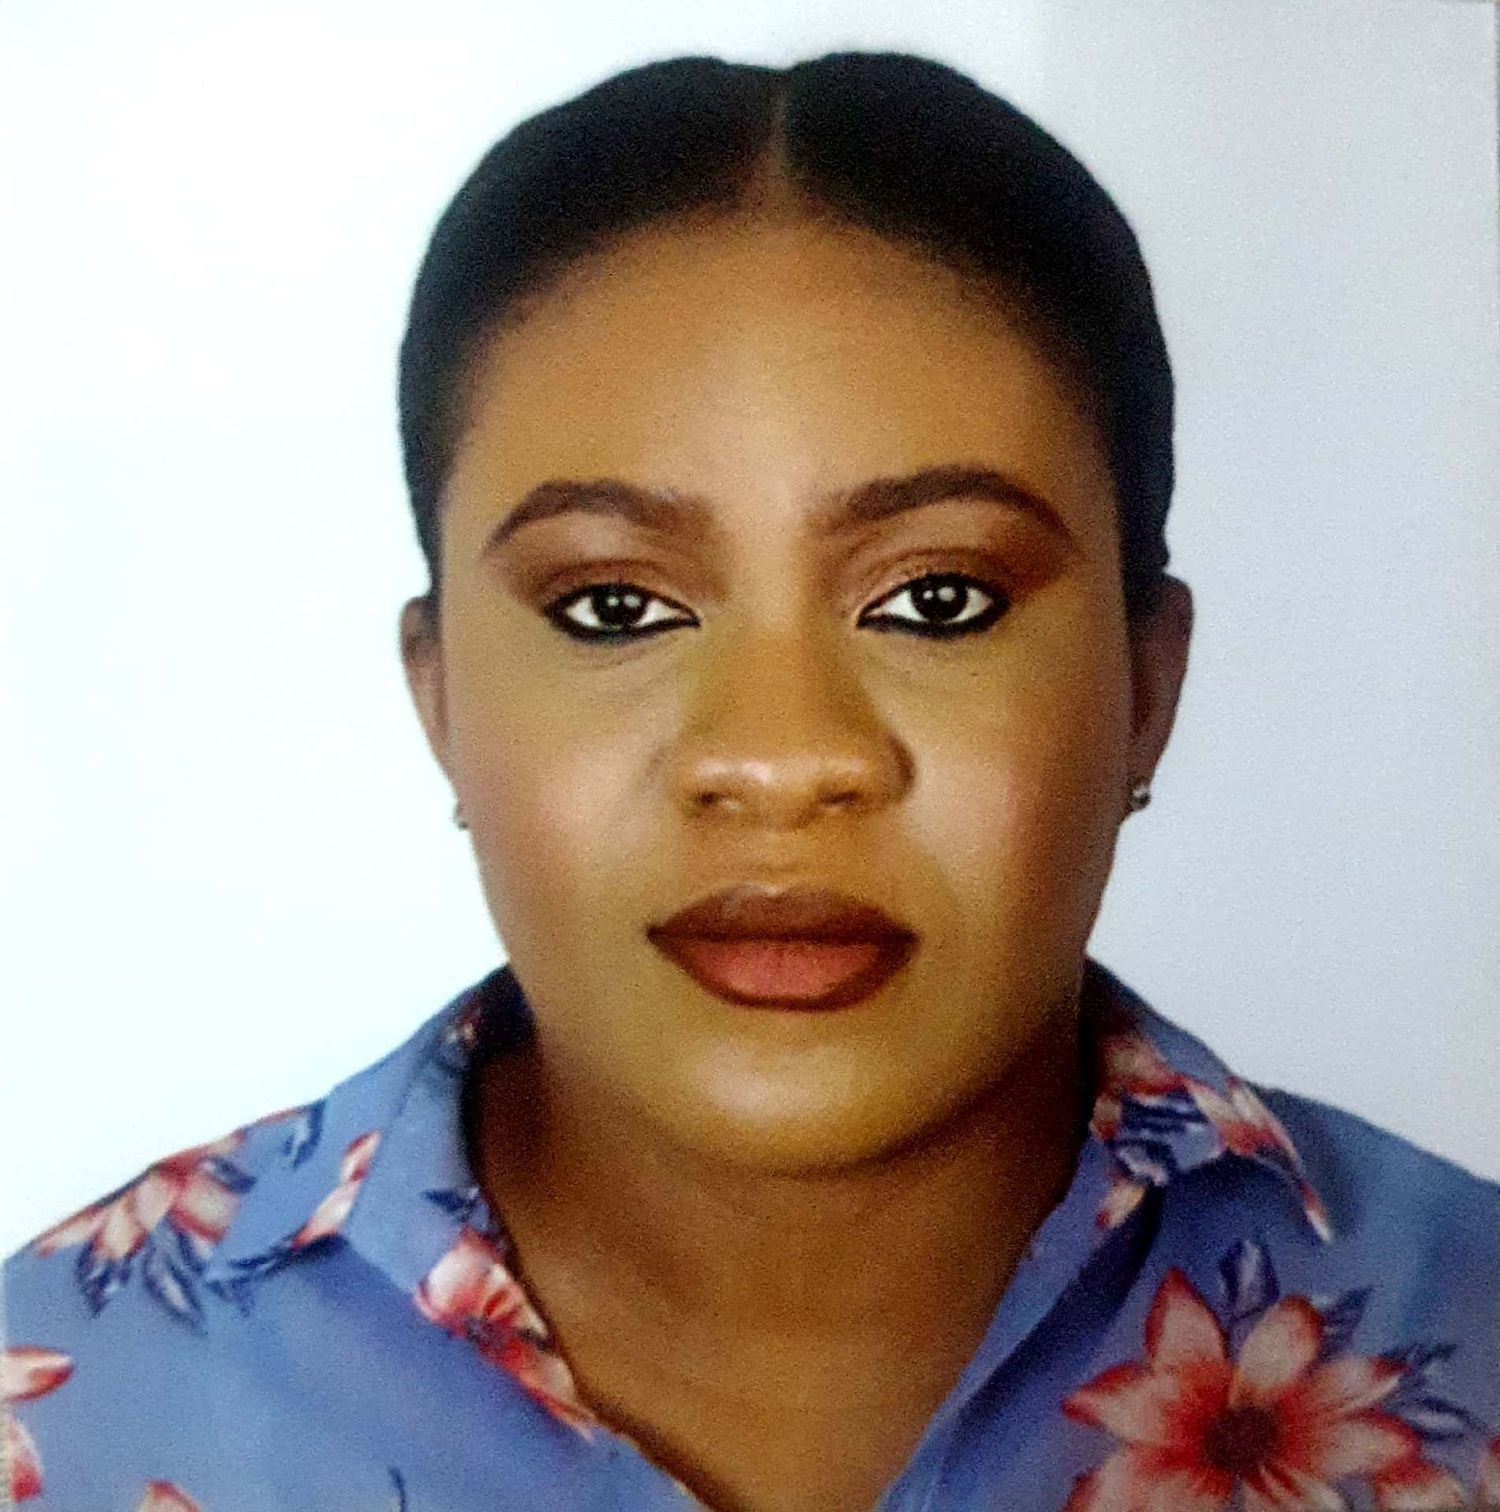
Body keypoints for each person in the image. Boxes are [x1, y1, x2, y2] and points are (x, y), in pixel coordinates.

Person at [3, 49, 1496, 1512]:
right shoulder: (62, 1413)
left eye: (937, 601)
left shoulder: (1470, 1348)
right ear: (440, 699)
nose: (779, 761)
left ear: (1147, 692)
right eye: (614, 606)